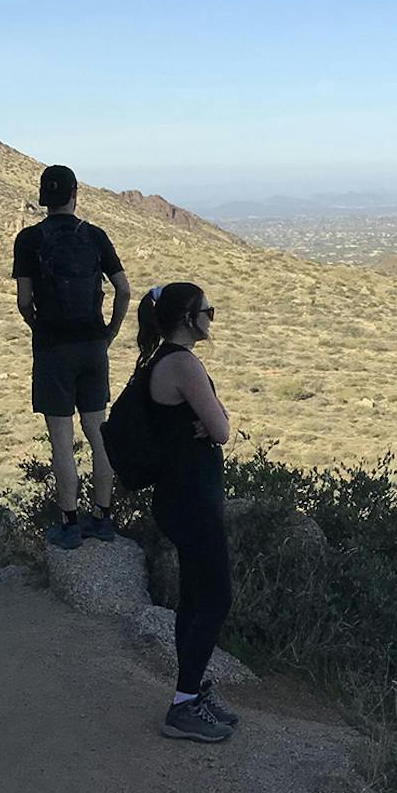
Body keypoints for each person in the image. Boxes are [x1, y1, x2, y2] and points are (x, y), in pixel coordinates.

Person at [137, 281, 240, 744]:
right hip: (191, 498)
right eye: (207, 311)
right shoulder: (182, 363)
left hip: (178, 496)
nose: (210, 318)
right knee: (215, 596)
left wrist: (209, 416)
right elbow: (220, 430)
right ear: (187, 318)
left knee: (195, 596)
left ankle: (192, 692)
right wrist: (212, 414)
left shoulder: (159, 360)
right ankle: (182, 704)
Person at [13, 164, 130, 549]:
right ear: (75, 196)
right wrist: (108, 333)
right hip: (92, 347)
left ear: (44, 198)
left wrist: (38, 327)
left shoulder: (28, 240)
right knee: (100, 435)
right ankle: (103, 517)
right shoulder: (95, 236)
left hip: (52, 349)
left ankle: (68, 523)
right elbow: (124, 290)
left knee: (62, 442)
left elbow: (24, 301)